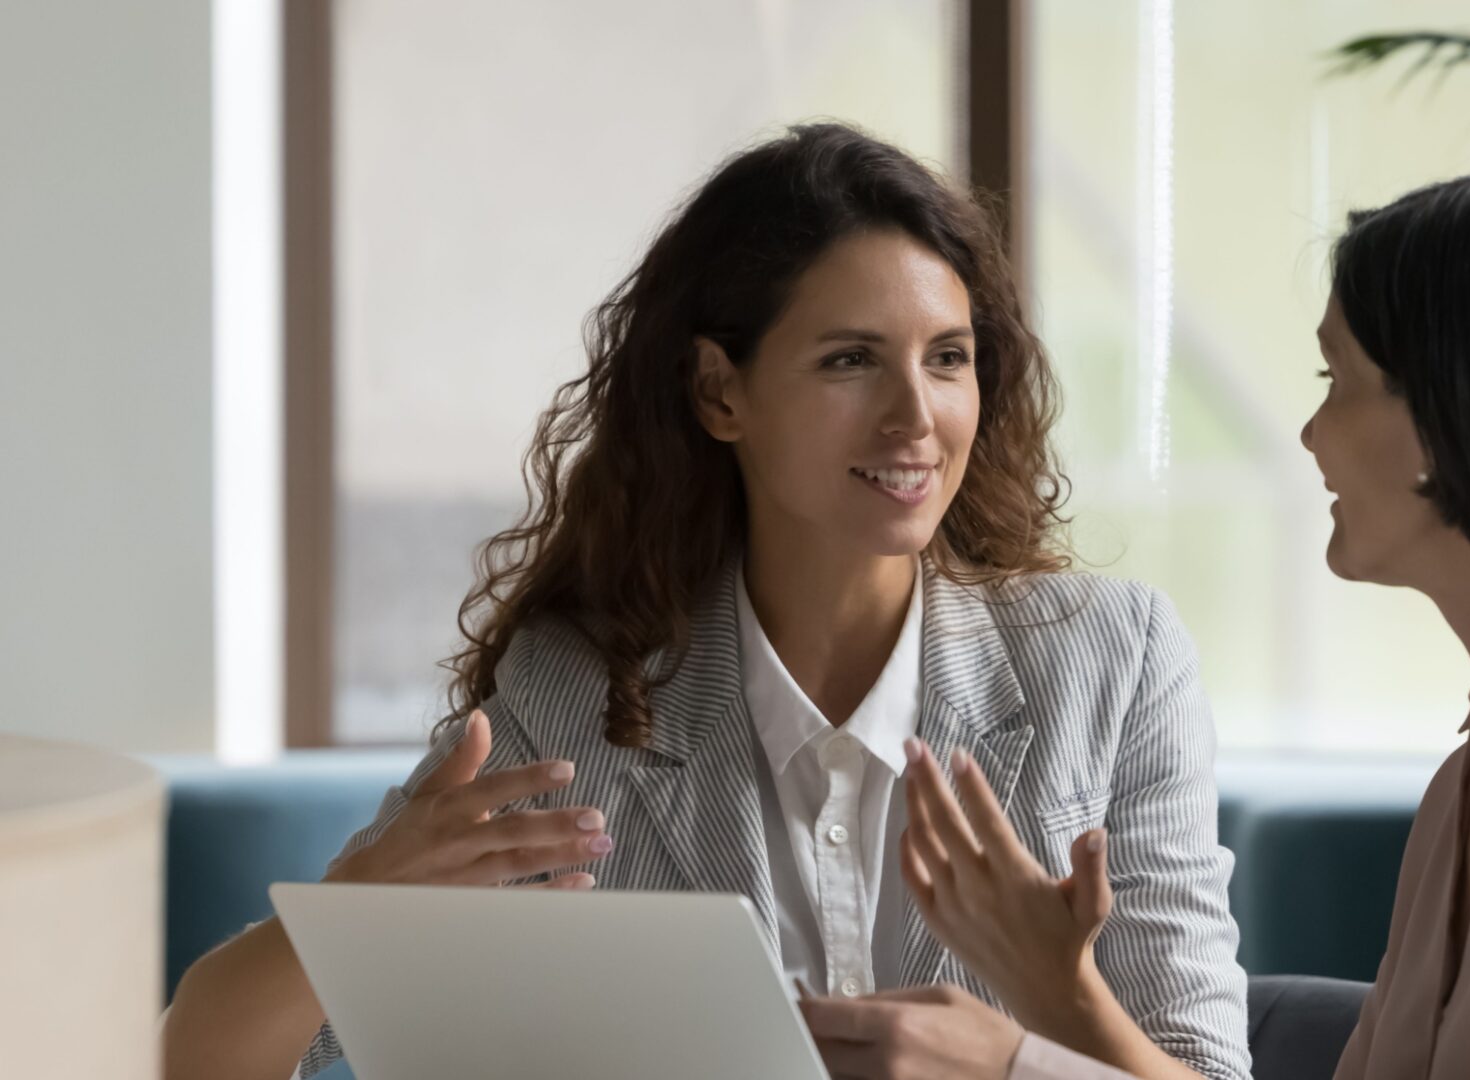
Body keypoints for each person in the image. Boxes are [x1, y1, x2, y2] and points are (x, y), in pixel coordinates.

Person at [159, 123, 1251, 1080]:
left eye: (949, 358)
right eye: (850, 361)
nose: (916, 416)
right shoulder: (577, 693)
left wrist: (1038, 1035)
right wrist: (354, 906)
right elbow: (199, 1059)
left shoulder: (1114, 659)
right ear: (720, 391)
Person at [807, 170, 1470, 1079]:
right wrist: (1064, 999)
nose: (1312, 433)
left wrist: (1016, 1063)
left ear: (1459, 418)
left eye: (1340, 381)